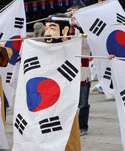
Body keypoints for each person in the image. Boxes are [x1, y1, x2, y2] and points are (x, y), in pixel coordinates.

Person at [44, 13, 81, 151]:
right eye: (46, 29)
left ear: (64, 31)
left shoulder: (71, 48)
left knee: (68, 137)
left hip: (64, 102)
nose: (47, 33)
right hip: (46, 102)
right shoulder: (40, 49)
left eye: (52, 29)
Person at [69, 4, 91, 136]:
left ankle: (83, 126)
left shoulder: (87, 30)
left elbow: (87, 45)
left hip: (83, 70)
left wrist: (80, 28)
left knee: (83, 102)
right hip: (69, 70)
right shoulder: (67, 30)